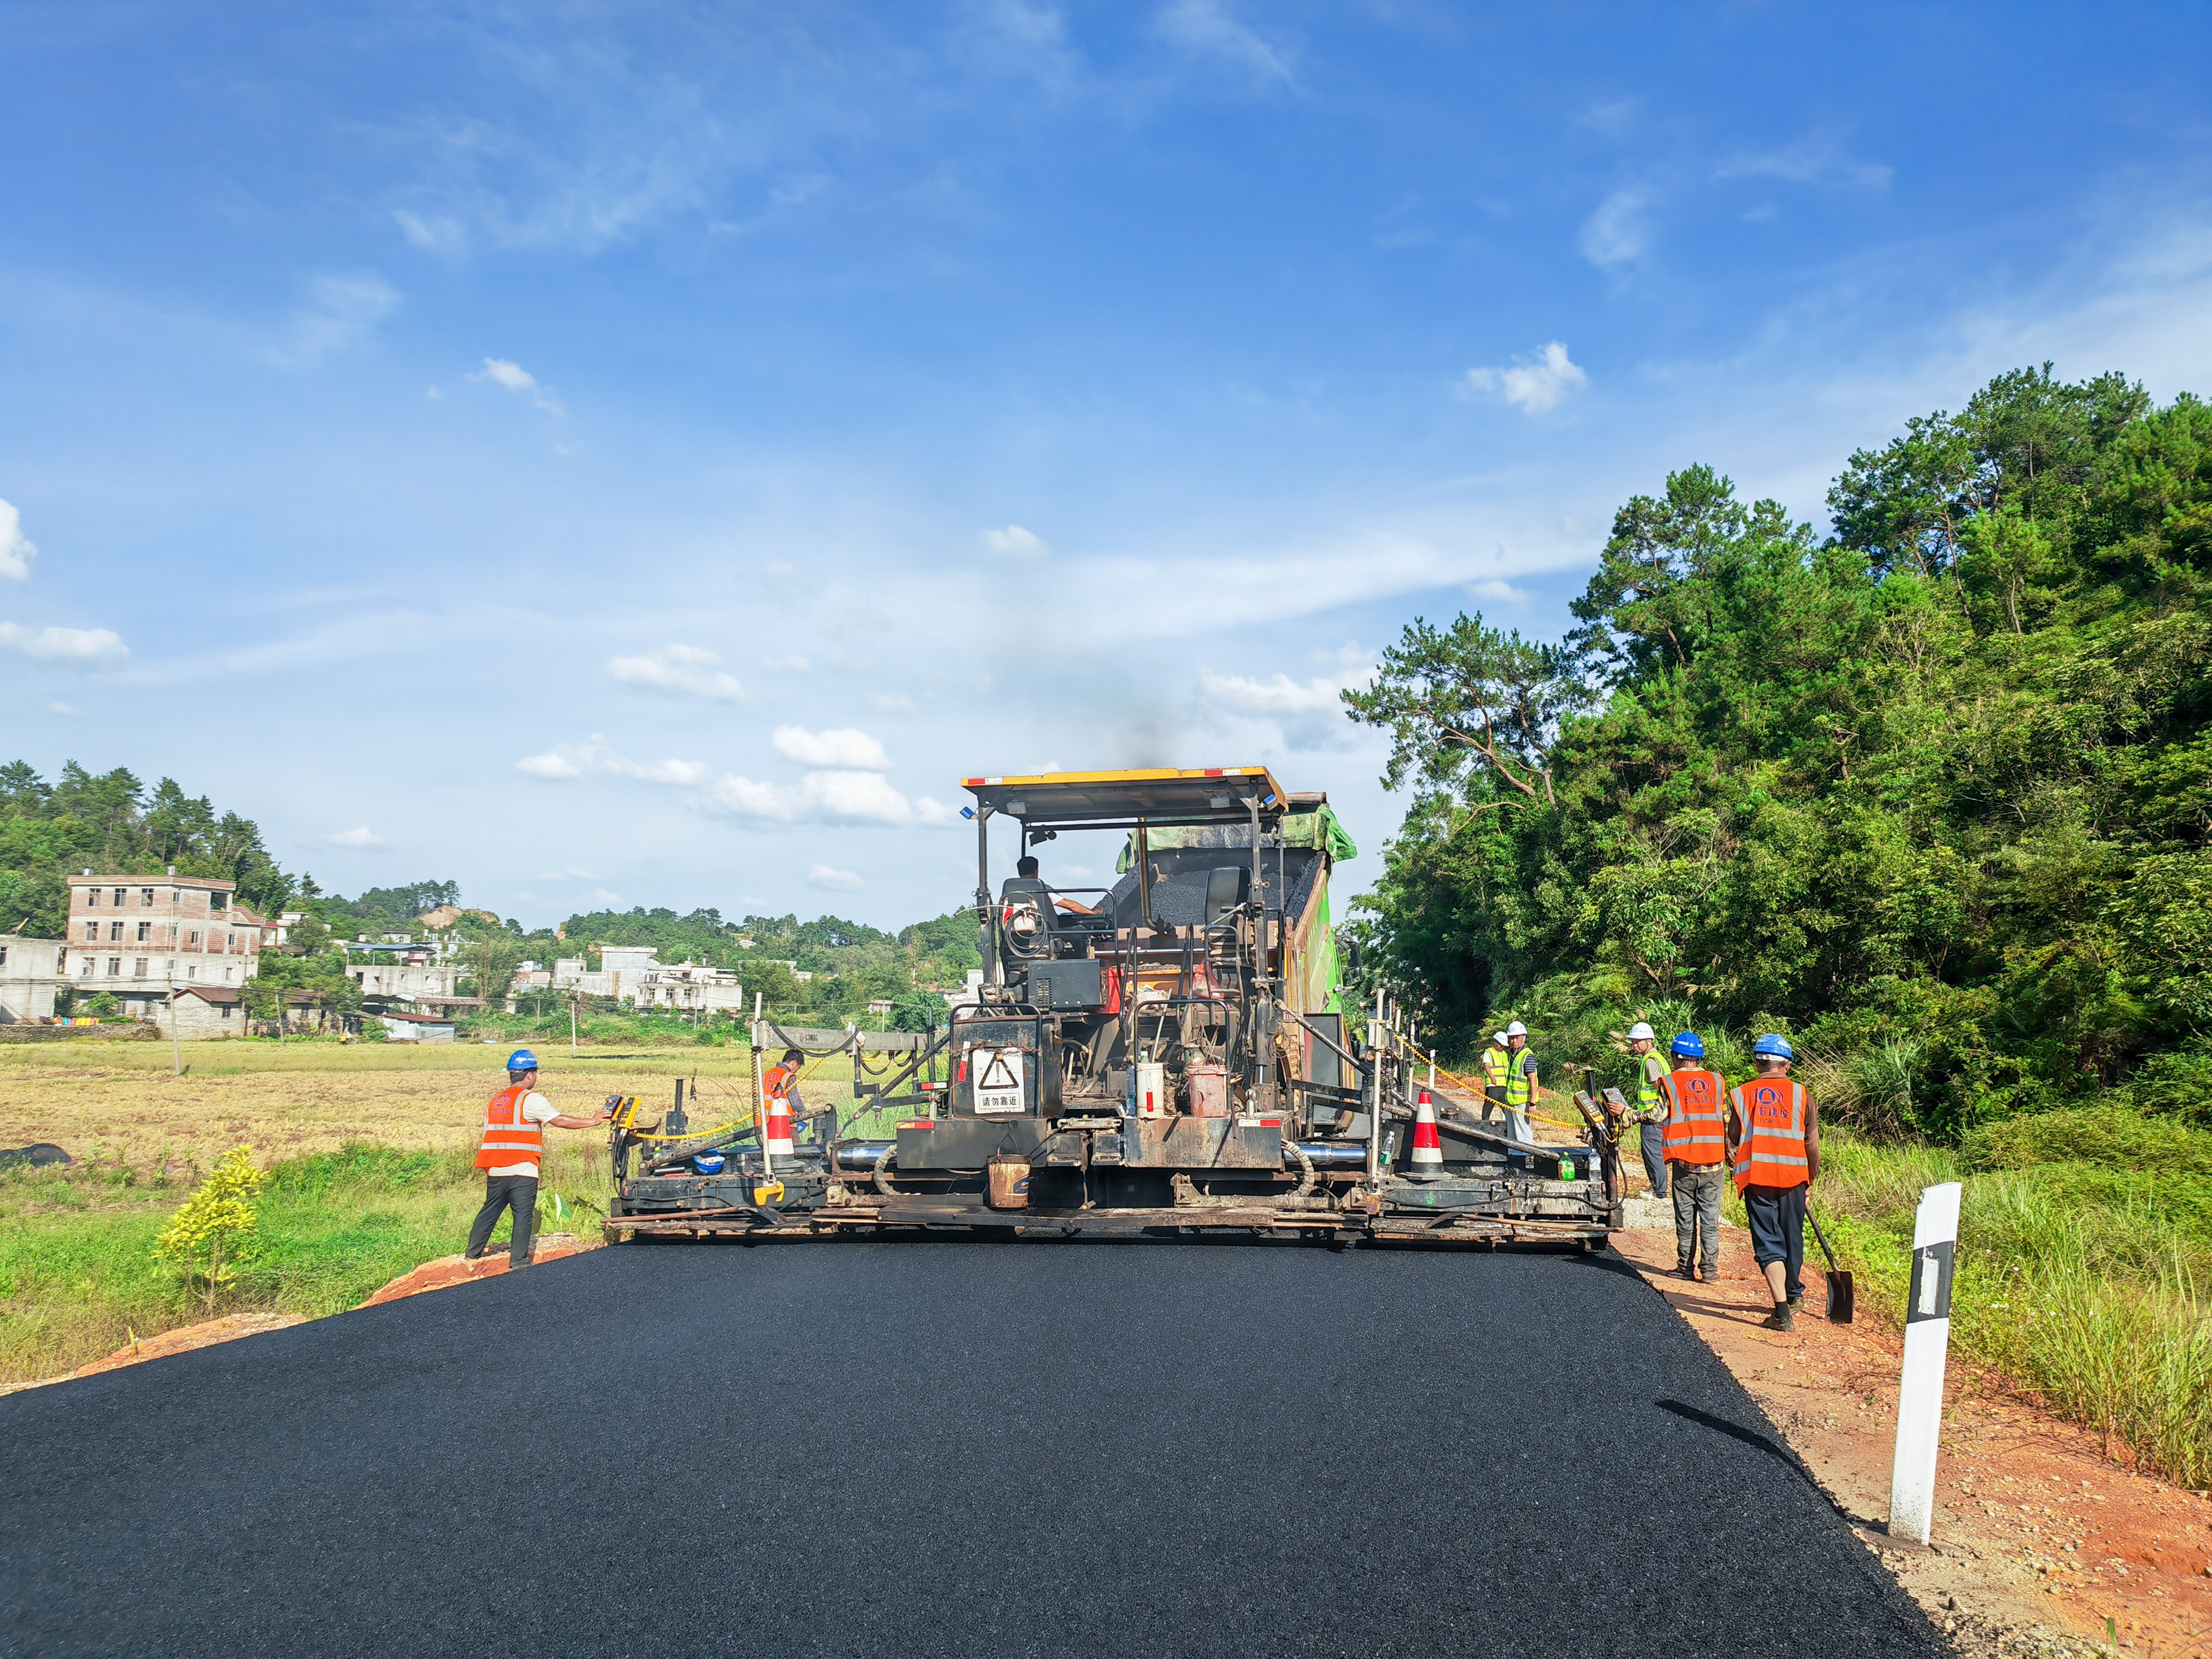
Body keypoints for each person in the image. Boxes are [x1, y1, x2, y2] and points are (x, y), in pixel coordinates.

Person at [466, 1049, 611, 1269]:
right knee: (523, 1215)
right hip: (523, 1167)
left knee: (490, 1211)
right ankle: (519, 1262)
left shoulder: (495, 1102)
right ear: (531, 1074)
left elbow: (489, 1133)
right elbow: (560, 1120)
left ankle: (472, 1254)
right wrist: (592, 1121)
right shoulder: (531, 1099)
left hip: (495, 1168)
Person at [1727, 1034, 1821, 1332]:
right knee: (1793, 1237)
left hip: (1757, 1178)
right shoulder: (1803, 1095)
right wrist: (1810, 1180)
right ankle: (1793, 1296)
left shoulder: (1742, 1094)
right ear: (1787, 1065)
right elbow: (1812, 1144)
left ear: (1758, 1062)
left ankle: (1782, 1312)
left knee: (1769, 1242)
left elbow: (1732, 1137)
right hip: (1794, 1178)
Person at [1657, 1032, 1727, 1282]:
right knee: (1710, 1219)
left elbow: (1657, 1115)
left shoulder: (1670, 1082)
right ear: (1699, 1057)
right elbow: (1726, 1119)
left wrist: (1627, 1113)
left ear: (1676, 1056)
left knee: (1686, 1218)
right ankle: (1710, 1271)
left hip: (1685, 1164)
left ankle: (1685, 1267)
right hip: (1714, 1163)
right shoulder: (1718, 1081)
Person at [1609, 1022, 1671, 1198]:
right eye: (1633, 1042)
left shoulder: (1651, 1061)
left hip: (1653, 1116)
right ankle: (1657, 1187)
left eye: (1639, 1042)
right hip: (1655, 1115)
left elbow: (1660, 1088)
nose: (1635, 1045)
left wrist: (1650, 1112)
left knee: (1653, 1153)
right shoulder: (1658, 1058)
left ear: (1649, 1041)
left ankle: (1659, 1192)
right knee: (1652, 1152)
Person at [1503, 1021, 1539, 1145]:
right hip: (1511, 1101)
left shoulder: (1527, 1056)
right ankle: (1514, 1160)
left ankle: (1527, 1160)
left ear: (1524, 1038)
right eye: (1511, 1038)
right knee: (1512, 1136)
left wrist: (1533, 1103)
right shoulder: (1514, 1054)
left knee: (1523, 1136)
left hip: (1522, 1103)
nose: (1514, 1041)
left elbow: (1533, 1079)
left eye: (1517, 1038)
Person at [1479, 1031, 1511, 1125]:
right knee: (1489, 1107)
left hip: (1504, 1085)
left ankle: (1509, 1126)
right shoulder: (1489, 1052)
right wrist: (1492, 1078)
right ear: (1496, 1043)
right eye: (1501, 1045)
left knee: (1507, 1108)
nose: (1503, 1048)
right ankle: (1484, 1124)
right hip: (1493, 1085)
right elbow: (1487, 1066)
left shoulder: (1504, 1054)